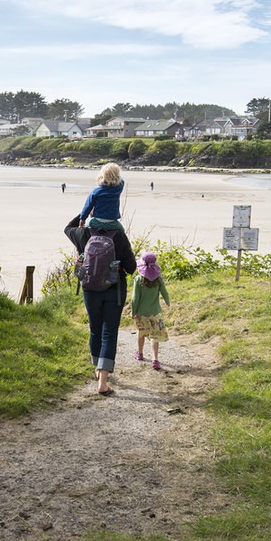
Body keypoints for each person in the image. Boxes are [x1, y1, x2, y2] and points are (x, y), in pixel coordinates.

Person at [67, 217, 136, 395]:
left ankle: (98, 370)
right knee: (109, 332)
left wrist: (83, 214)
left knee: (95, 330)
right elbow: (131, 267)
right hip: (115, 290)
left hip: (90, 290)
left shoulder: (83, 234)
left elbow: (68, 228)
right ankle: (103, 382)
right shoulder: (119, 235)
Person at [130, 251, 172, 369]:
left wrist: (134, 311)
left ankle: (140, 354)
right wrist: (167, 301)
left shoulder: (138, 279)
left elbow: (134, 298)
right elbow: (164, 292)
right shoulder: (158, 279)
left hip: (141, 313)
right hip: (155, 313)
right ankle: (155, 359)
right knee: (155, 336)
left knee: (141, 333)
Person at [77, 162, 125, 232]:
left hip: (96, 222)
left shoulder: (96, 192)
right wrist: (115, 177)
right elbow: (121, 182)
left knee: (83, 233)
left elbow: (87, 207)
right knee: (122, 233)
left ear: (102, 176)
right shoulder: (118, 189)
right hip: (112, 223)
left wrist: (82, 219)